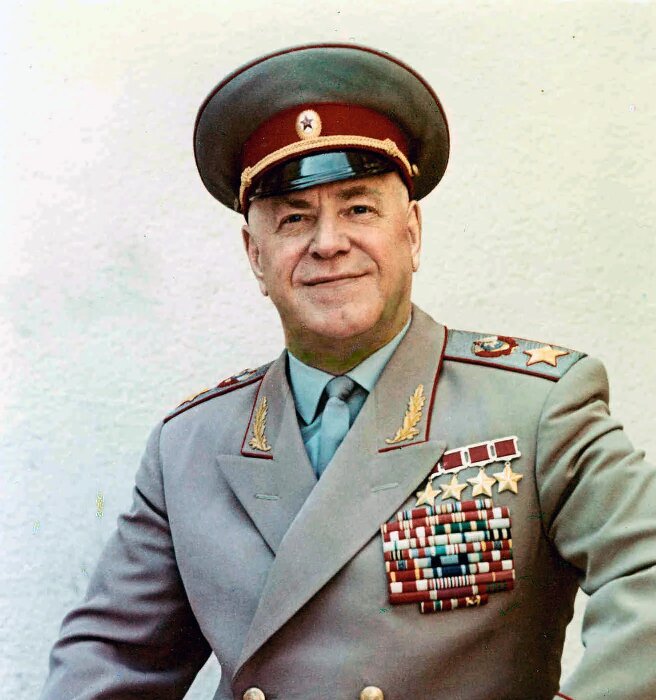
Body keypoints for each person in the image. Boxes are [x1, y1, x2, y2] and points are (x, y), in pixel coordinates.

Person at [41, 43, 655, 700]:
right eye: (294, 219)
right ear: (255, 255)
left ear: (411, 232)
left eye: (358, 209)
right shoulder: (189, 446)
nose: (328, 243)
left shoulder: (536, 408)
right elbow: (109, 658)